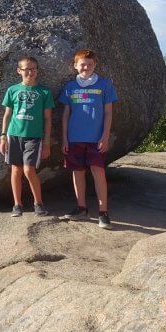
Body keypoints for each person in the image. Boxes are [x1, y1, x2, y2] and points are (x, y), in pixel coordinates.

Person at [58, 49, 118, 229]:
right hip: (74, 137)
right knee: (77, 172)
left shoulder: (104, 85)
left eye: (90, 64)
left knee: (98, 172)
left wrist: (105, 136)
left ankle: (103, 212)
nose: (86, 67)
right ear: (75, 66)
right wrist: (64, 139)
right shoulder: (70, 87)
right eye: (82, 64)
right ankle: (81, 208)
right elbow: (66, 115)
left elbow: (108, 113)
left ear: (95, 65)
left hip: (96, 138)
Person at [0, 55, 54, 216]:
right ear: (19, 71)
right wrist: (3, 136)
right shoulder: (12, 90)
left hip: (34, 137)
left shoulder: (44, 91)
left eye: (33, 69)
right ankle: (17, 204)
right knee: (15, 170)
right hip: (14, 135)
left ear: (37, 71)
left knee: (29, 170)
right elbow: (7, 115)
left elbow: (48, 118)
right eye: (26, 69)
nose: (30, 72)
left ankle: (38, 203)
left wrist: (47, 141)